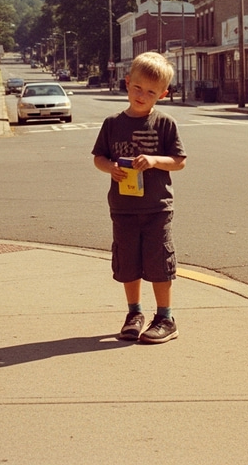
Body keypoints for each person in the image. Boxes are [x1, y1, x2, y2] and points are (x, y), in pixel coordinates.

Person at [92, 52, 186, 343]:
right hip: (123, 207)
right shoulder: (112, 123)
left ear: (163, 94)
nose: (142, 95)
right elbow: (98, 157)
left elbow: (179, 160)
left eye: (150, 92)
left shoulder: (164, 123)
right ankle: (134, 313)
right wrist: (111, 169)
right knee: (127, 262)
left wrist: (156, 160)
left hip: (157, 207)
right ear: (127, 82)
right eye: (137, 88)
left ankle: (165, 317)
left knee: (160, 261)